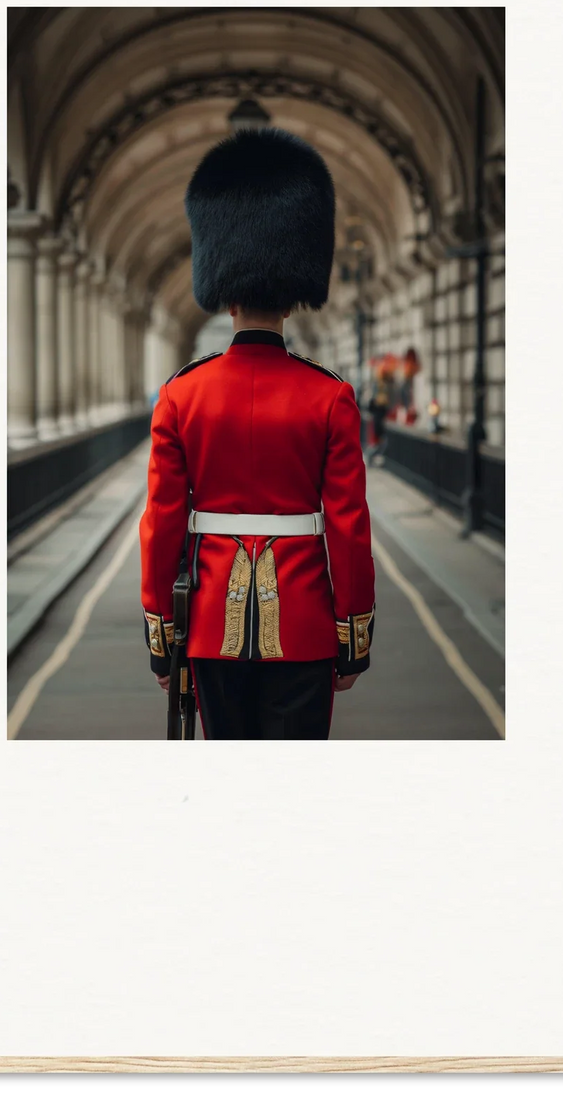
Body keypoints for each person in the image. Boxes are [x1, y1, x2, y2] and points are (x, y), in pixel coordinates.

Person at [140, 125, 376, 739]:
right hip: (303, 626)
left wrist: (163, 633)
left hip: (209, 626)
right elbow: (349, 528)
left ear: (222, 298)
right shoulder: (330, 396)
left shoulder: (180, 394)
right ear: (296, 296)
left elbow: (161, 523)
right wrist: (352, 634)